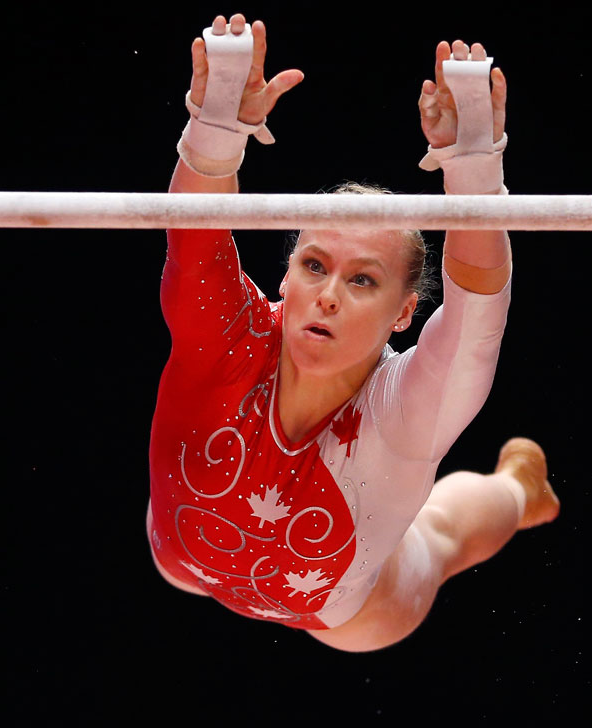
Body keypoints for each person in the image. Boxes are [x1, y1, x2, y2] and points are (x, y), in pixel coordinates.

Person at [145, 13, 558, 652]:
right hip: (188, 568)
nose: (329, 295)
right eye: (314, 266)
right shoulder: (229, 335)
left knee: (440, 533)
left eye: (363, 281)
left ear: (403, 313)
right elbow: (196, 229)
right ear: (285, 276)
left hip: (350, 615)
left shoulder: (406, 406)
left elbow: (477, 301)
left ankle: (518, 489)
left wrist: (473, 169)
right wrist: (216, 121)